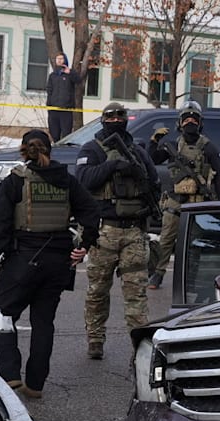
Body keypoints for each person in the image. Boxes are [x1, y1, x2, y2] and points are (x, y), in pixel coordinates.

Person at [0, 129, 100, 398]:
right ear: (50, 150)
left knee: (3, 316)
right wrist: (84, 245)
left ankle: (10, 374)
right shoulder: (67, 180)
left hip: (22, 259)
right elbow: (92, 211)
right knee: (44, 322)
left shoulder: (15, 181)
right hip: (58, 262)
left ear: (24, 151)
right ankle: (35, 384)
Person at [75, 102, 158, 360]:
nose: (115, 122)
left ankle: (140, 346)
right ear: (103, 121)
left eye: (120, 118)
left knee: (136, 293)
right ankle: (95, 339)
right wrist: (112, 166)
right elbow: (83, 180)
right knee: (98, 291)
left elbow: (153, 183)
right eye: (110, 118)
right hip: (104, 231)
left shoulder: (138, 152)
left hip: (134, 232)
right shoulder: (91, 149)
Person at [147, 102, 220, 289]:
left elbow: (219, 179)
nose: (190, 122)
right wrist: (154, 142)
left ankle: (189, 280)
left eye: (194, 119)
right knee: (166, 240)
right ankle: (157, 275)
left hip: (198, 204)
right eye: (186, 119)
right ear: (179, 123)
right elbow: (151, 159)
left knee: (194, 245)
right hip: (175, 201)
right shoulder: (173, 146)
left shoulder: (208, 148)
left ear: (200, 123)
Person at [46, 53, 80, 142]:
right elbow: (49, 90)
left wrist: (70, 73)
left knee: (66, 134)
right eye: (57, 59)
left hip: (66, 110)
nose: (59, 60)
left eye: (61, 58)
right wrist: (49, 105)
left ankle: (64, 147)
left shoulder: (70, 73)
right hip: (53, 110)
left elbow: (78, 81)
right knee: (54, 133)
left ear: (65, 60)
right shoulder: (53, 75)